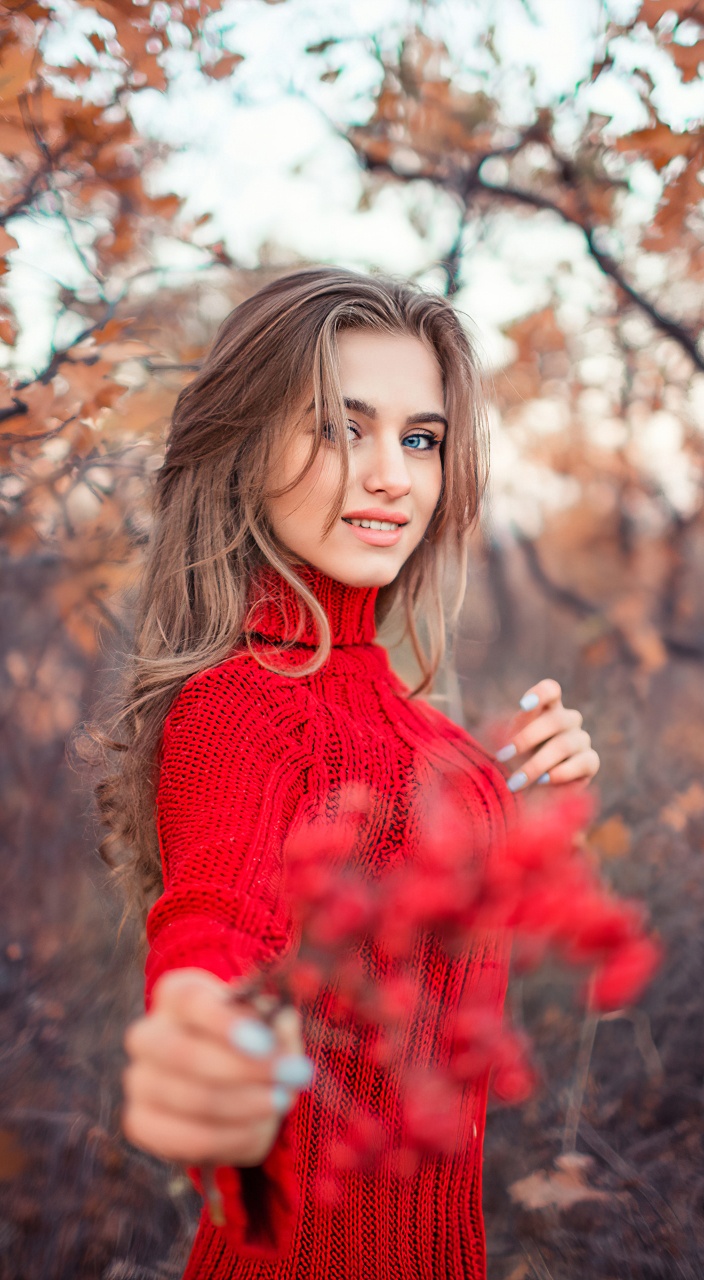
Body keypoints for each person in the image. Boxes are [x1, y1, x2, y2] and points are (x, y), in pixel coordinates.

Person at [102, 267, 599, 1280]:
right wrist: (197, 1024)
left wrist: (521, 802)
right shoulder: (241, 702)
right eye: (340, 428)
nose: (392, 475)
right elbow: (218, 917)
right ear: (244, 448)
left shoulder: (411, 718)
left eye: (421, 437)